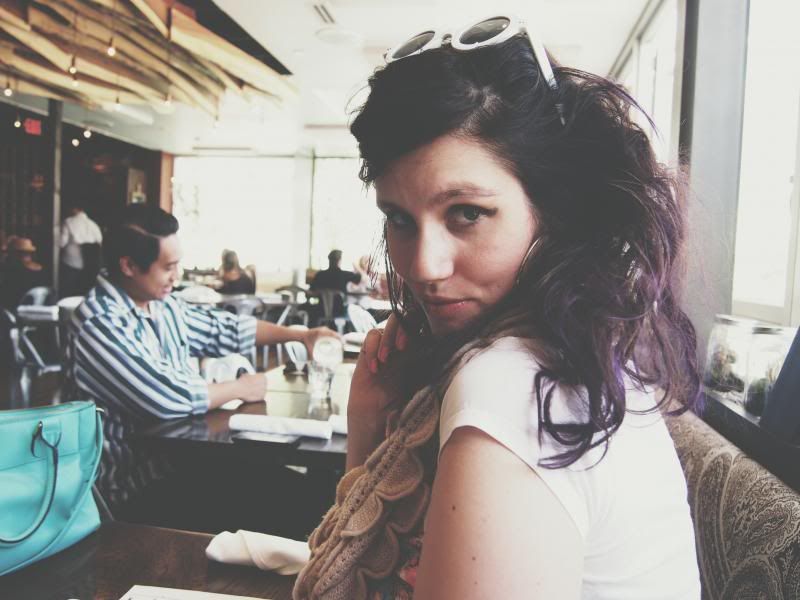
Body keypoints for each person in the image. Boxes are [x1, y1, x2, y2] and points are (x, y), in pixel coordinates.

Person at [294, 16, 700, 599]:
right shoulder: (578, 353)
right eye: (400, 219)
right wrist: (368, 425)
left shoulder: (513, 387)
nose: (424, 266)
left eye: (467, 213)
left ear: (553, 210)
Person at [67, 204, 338, 527]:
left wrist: (302, 335)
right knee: (295, 507)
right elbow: (168, 398)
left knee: (309, 497)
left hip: (181, 461)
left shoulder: (163, 306)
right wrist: (239, 388)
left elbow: (225, 329)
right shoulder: (99, 322)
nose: (177, 276)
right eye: (168, 267)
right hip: (133, 488)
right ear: (128, 266)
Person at [60, 202, 103, 297]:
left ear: (74, 208)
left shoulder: (68, 222)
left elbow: (61, 243)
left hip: (71, 264)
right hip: (90, 267)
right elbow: (100, 243)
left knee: (68, 293)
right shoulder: (94, 225)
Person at [0, 236, 48, 309]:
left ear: (15, 254)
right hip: (36, 307)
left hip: (15, 308)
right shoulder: (40, 269)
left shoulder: (14, 270)